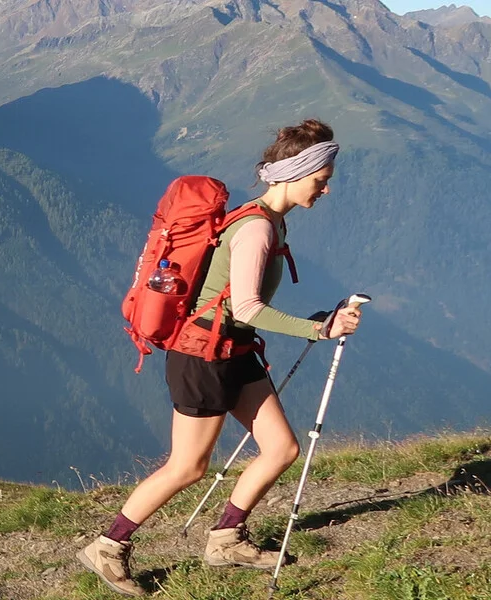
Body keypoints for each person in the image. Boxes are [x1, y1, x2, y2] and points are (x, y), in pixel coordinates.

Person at [77, 120, 365, 596]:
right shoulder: (255, 228)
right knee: (188, 466)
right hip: (202, 356)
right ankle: (108, 547)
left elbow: (241, 308)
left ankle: (226, 539)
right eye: (321, 179)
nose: (326, 189)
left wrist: (319, 318)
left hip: (236, 348)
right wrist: (320, 328)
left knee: (281, 449)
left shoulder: (272, 220)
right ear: (295, 173)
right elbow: (249, 307)